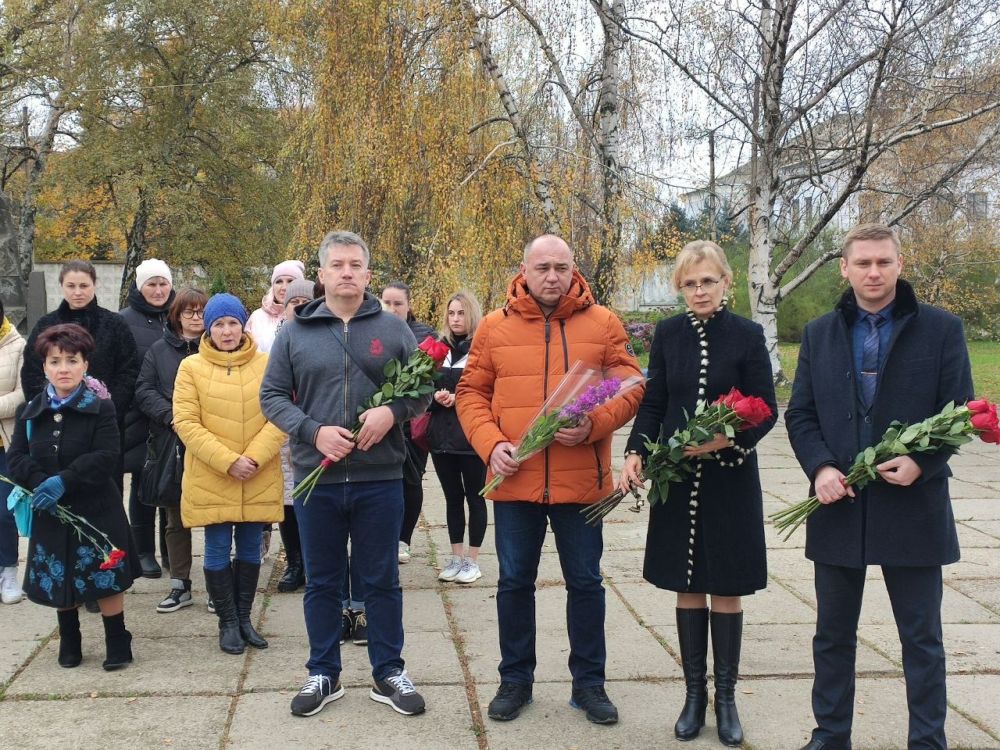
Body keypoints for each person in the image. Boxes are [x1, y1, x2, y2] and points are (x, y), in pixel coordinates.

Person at [785, 223, 974, 750]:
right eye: (863, 263)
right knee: (832, 635)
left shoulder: (941, 329)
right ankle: (830, 736)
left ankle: (928, 741)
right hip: (838, 503)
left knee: (921, 638)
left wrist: (923, 462)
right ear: (844, 268)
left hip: (913, 506)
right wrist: (821, 468)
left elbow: (960, 411)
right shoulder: (820, 333)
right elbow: (801, 414)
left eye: (883, 262)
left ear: (899, 265)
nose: (874, 272)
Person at [456, 234, 644, 725]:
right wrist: (491, 444)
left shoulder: (602, 323)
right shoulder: (494, 326)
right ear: (524, 270)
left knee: (586, 583)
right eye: (543, 268)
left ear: (573, 269)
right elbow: (471, 393)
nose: (552, 276)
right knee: (514, 583)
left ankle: (589, 684)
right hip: (515, 482)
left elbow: (630, 385)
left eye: (561, 267)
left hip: (581, 483)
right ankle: (515, 680)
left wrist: (594, 423)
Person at [261, 230, 431, 718]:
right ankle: (323, 672)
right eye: (337, 265)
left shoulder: (393, 329)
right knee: (322, 581)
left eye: (356, 265)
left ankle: (388, 671)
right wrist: (313, 432)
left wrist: (392, 413)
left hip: (381, 477)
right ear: (322, 274)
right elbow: (271, 396)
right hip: (319, 479)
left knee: (381, 579)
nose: (347, 272)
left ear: (368, 274)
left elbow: (421, 389)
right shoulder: (294, 333)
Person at [618, 240, 777, 746]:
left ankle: (725, 698)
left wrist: (726, 439)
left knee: (726, 584)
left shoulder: (748, 335)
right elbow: (656, 400)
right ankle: (693, 696)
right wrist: (636, 451)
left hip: (731, 479)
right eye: (690, 283)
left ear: (726, 282)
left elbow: (766, 407)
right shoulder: (668, 333)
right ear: (680, 288)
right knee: (685, 581)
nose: (700, 290)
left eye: (708, 280)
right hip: (678, 477)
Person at [7, 324, 138, 670]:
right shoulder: (31, 411)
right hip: (51, 510)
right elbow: (16, 457)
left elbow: (107, 455)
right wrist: (41, 482)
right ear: (44, 367)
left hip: (96, 507)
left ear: (85, 365)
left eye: (71, 360)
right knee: (60, 572)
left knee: (104, 574)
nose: (63, 369)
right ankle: (70, 639)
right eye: (55, 361)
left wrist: (65, 480)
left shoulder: (101, 408)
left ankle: (117, 639)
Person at [173, 293, 285, 655]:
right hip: (213, 473)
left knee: (251, 547)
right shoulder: (190, 368)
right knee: (218, 546)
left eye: (233, 323)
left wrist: (252, 458)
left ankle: (245, 618)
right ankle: (227, 622)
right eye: (219, 324)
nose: (226, 331)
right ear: (208, 328)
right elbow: (186, 422)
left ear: (243, 326)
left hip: (257, 472)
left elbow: (280, 415)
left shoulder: (267, 364)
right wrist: (228, 461)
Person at [133, 288, 208, 613]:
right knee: (175, 517)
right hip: (172, 441)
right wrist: (173, 417)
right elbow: (144, 390)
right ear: (176, 315)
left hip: (211, 438)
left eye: (201, 311)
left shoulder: (216, 346)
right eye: (189, 311)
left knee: (216, 516)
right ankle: (180, 583)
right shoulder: (159, 350)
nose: (195, 317)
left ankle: (218, 584)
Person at [22, 260, 139, 434]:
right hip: (53, 421)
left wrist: (108, 409)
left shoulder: (115, 324)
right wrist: (49, 409)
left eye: (84, 286)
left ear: (94, 285)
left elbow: (128, 371)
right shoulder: (45, 325)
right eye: (71, 286)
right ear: (62, 286)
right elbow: (31, 371)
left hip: (103, 422)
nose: (77, 292)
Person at [120, 258, 176, 580]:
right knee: (143, 480)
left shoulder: (178, 314)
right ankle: (142, 551)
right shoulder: (124, 321)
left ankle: (171, 549)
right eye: (151, 284)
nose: (158, 290)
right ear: (140, 287)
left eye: (163, 283)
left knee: (172, 479)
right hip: (138, 414)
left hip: (173, 415)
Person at [428, 290, 488, 585]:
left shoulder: (482, 349)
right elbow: (419, 392)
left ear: (472, 315)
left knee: (475, 498)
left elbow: (490, 392)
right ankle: (456, 557)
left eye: (461, 313)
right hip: (441, 439)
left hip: (472, 437)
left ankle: (472, 561)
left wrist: (459, 399)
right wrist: (434, 397)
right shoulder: (438, 350)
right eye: (451, 313)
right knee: (452, 498)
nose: (455, 319)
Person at [380, 281, 435, 565]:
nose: (391, 309)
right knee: (384, 482)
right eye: (386, 303)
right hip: (380, 419)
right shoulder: (373, 330)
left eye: (398, 303)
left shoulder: (424, 335)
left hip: (413, 421)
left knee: (411, 480)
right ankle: (384, 537)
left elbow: (431, 381)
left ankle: (404, 539)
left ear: (409, 305)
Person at [275, 278, 316, 595]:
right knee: (287, 499)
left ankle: (315, 562)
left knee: (315, 499)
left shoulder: (323, 335)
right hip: (281, 430)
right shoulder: (277, 339)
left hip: (316, 430)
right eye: (294, 303)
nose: (300, 307)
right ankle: (294, 562)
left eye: (306, 302)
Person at [0, 298, 26, 604]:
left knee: (4, 513)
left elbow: (23, 394)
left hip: (6, 444)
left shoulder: (18, 346)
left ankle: (8, 571)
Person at [246, 260, 306, 355]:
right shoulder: (257, 317)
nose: (284, 287)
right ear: (273, 286)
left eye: (290, 281)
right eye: (279, 282)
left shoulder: (308, 316)